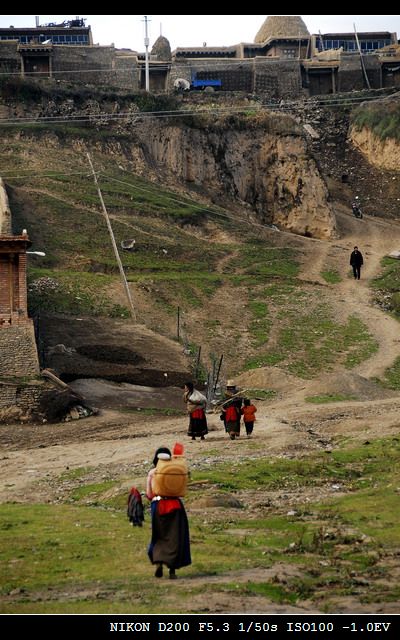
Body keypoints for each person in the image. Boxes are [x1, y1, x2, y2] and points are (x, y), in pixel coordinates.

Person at [146, 446, 191, 579]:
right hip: (175, 506)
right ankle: (172, 570)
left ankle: (159, 562)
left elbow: (149, 495)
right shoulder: (177, 470)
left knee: (159, 535)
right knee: (175, 537)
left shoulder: (152, 473)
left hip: (158, 505)